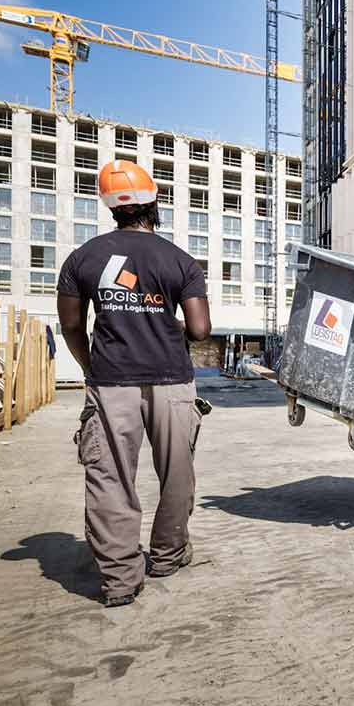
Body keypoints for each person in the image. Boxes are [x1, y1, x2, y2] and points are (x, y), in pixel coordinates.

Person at [56, 160, 212, 607]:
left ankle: (121, 580)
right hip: (172, 382)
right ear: (154, 202)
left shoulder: (83, 258)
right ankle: (166, 555)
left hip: (111, 384)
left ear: (109, 207)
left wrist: (91, 367)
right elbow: (200, 330)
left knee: (110, 478)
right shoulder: (179, 260)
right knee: (177, 472)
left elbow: (70, 325)